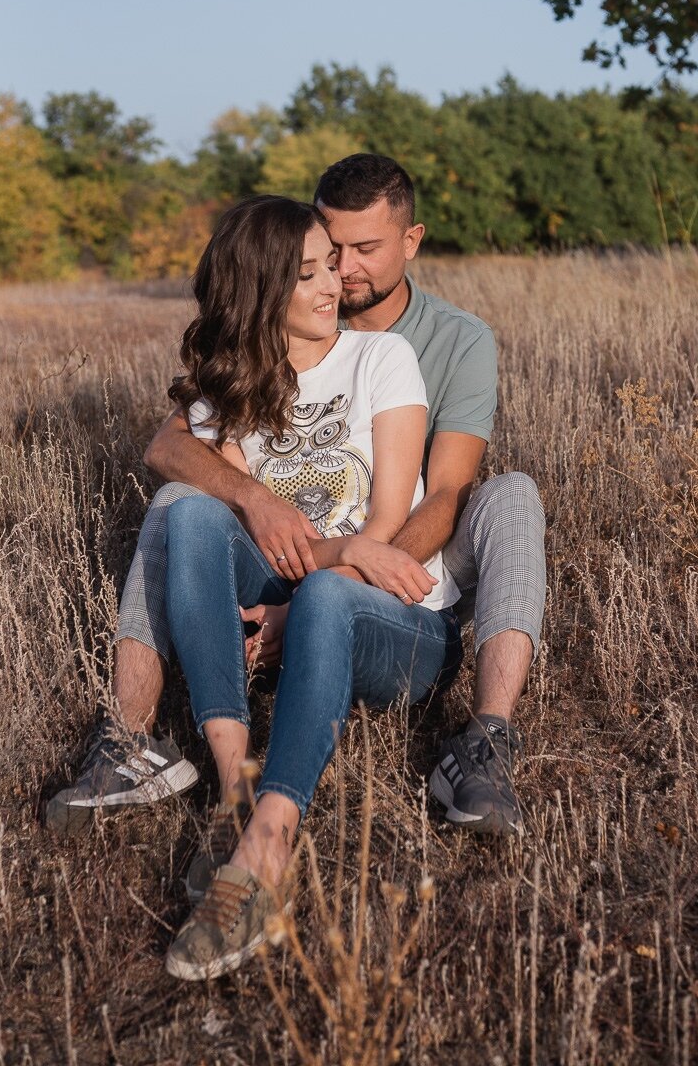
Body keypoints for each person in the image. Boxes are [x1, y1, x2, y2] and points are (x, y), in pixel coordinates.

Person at [47, 153, 545, 844]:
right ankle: (129, 742)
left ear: (413, 240)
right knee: (177, 505)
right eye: (324, 252)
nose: (342, 272)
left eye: (362, 251)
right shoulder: (251, 358)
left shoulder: (443, 342)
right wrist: (253, 499)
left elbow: (447, 495)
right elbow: (169, 447)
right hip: (288, 558)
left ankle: (486, 743)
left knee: (510, 495)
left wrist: (329, 586)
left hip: (395, 564)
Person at [143, 193, 462, 978]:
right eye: (309, 273)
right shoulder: (235, 388)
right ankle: (232, 793)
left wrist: (336, 556)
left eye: (334, 266)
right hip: (295, 594)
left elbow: (386, 522)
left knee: (323, 595)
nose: (334, 285)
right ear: (259, 292)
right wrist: (258, 505)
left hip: (398, 619)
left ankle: (269, 851)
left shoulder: (381, 359)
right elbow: (185, 471)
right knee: (186, 514)